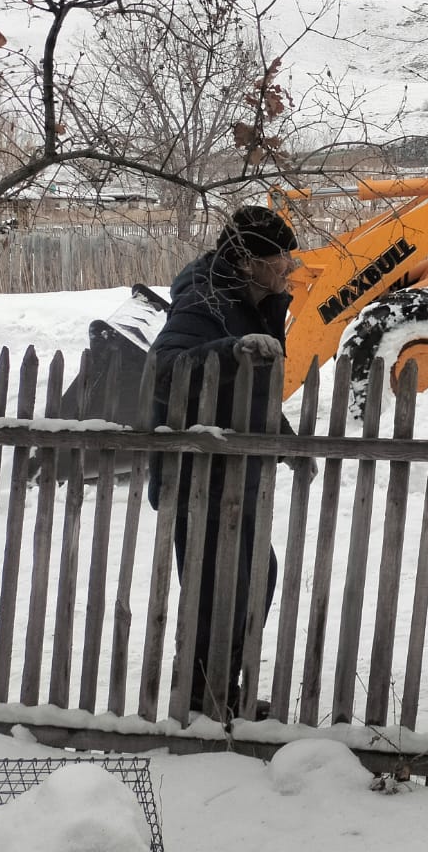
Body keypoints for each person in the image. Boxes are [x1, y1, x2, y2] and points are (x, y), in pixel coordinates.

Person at [146, 204, 299, 716]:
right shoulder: (202, 302)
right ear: (246, 260)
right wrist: (232, 350)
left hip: (238, 474)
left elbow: (254, 388)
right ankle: (198, 700)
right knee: (216, 591)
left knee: (257, 576)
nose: (290, 268)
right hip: (198, 475)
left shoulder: (255, 304)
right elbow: (166, 370)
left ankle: (217, 692)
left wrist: (284, 435)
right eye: (281, 258)